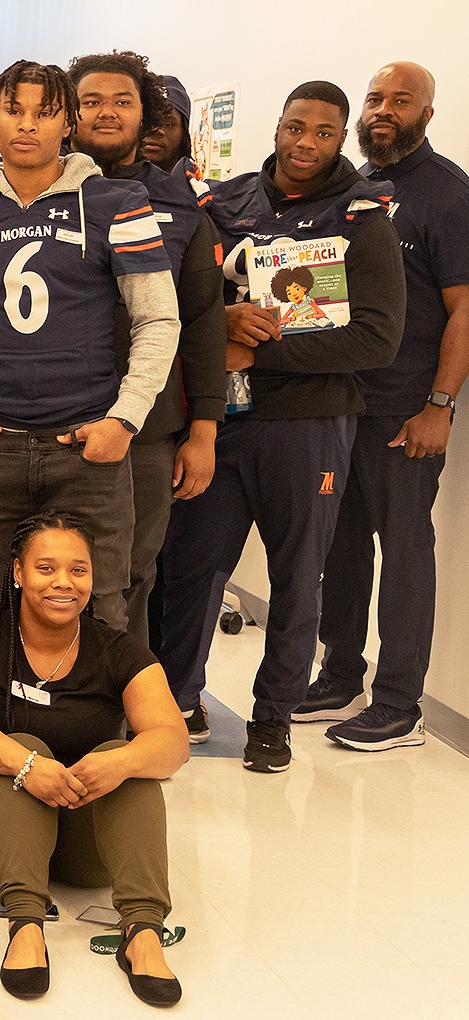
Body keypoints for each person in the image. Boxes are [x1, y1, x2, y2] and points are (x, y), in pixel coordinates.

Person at [160, 81, 405, 772]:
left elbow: (377, 341)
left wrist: (255, 352)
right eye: (296, 127)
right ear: (278, 125)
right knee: (194, 566)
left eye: (323, 133)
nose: (305, 143)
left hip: (309, 426)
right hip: (221, 418)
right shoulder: (225, 201)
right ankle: (177, 702)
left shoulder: (363, 218)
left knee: (297, 577)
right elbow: (190, 297)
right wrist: (219, 334)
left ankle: (273, 719)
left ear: (341, 137)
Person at [0, 60, 179, 632]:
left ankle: (106, 726)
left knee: (104, 610)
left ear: (68, 122)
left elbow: (159, 318)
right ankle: (5, 723)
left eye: (45, 112)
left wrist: (126, 419)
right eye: (14, 111)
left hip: (84, 443)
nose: (28, 126)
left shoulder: (118, 201)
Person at [0, 511, 189, 1008]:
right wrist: (28, 766)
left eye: (78, 570)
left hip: (80, 839)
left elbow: (173, 742)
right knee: (24, 746)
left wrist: (121, 762)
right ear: (17, 572)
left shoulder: (120, 650)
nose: (63, 583)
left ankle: (141, 931)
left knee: (129, 758)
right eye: (46, 568)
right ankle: (24, 922)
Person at [303, 62, 465, 751]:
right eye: (375, 99)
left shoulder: (449, 196)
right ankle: (340, 673)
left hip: (404, 415)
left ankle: (401, 704)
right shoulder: (348, 190)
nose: (383, 110)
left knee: (404, 551)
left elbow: (465, 311)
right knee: (338, 547)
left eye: (402, 101)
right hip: (339, 405)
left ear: (427, 114)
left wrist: (439, 406)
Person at [65, 51, 227, 681]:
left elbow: (204, 320)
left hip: (148, 430)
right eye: (91, 101)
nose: (106, 113)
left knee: (130, 572)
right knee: (38, 571)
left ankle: (117, 706)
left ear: (147, 114)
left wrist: (205, 428)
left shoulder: (180, 206)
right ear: (68, 112)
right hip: (45, 418)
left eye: (122, 101)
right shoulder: (31, 194)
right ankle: (30, 702)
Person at [139, 75, 194, 176]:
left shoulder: (200, 190)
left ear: (184, 134)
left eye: (168, 124)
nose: (156, 130)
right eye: (147, 120)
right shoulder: (103, 188)